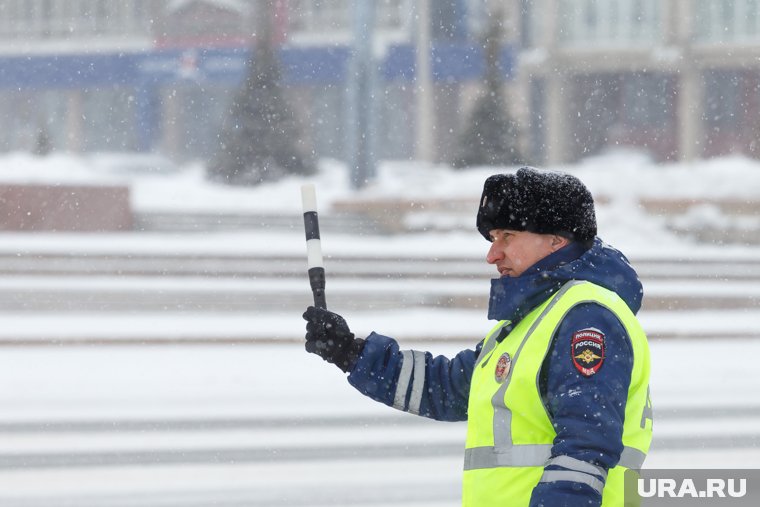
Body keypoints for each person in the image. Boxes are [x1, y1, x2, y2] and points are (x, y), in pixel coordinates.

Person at [303, 167, 653, 507]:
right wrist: (350, 352)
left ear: (556, 240)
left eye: (507, 237)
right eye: (492, 239)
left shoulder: (585, 317)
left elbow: (586, 447)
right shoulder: (532, 319)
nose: (492, 254)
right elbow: (448, 388)